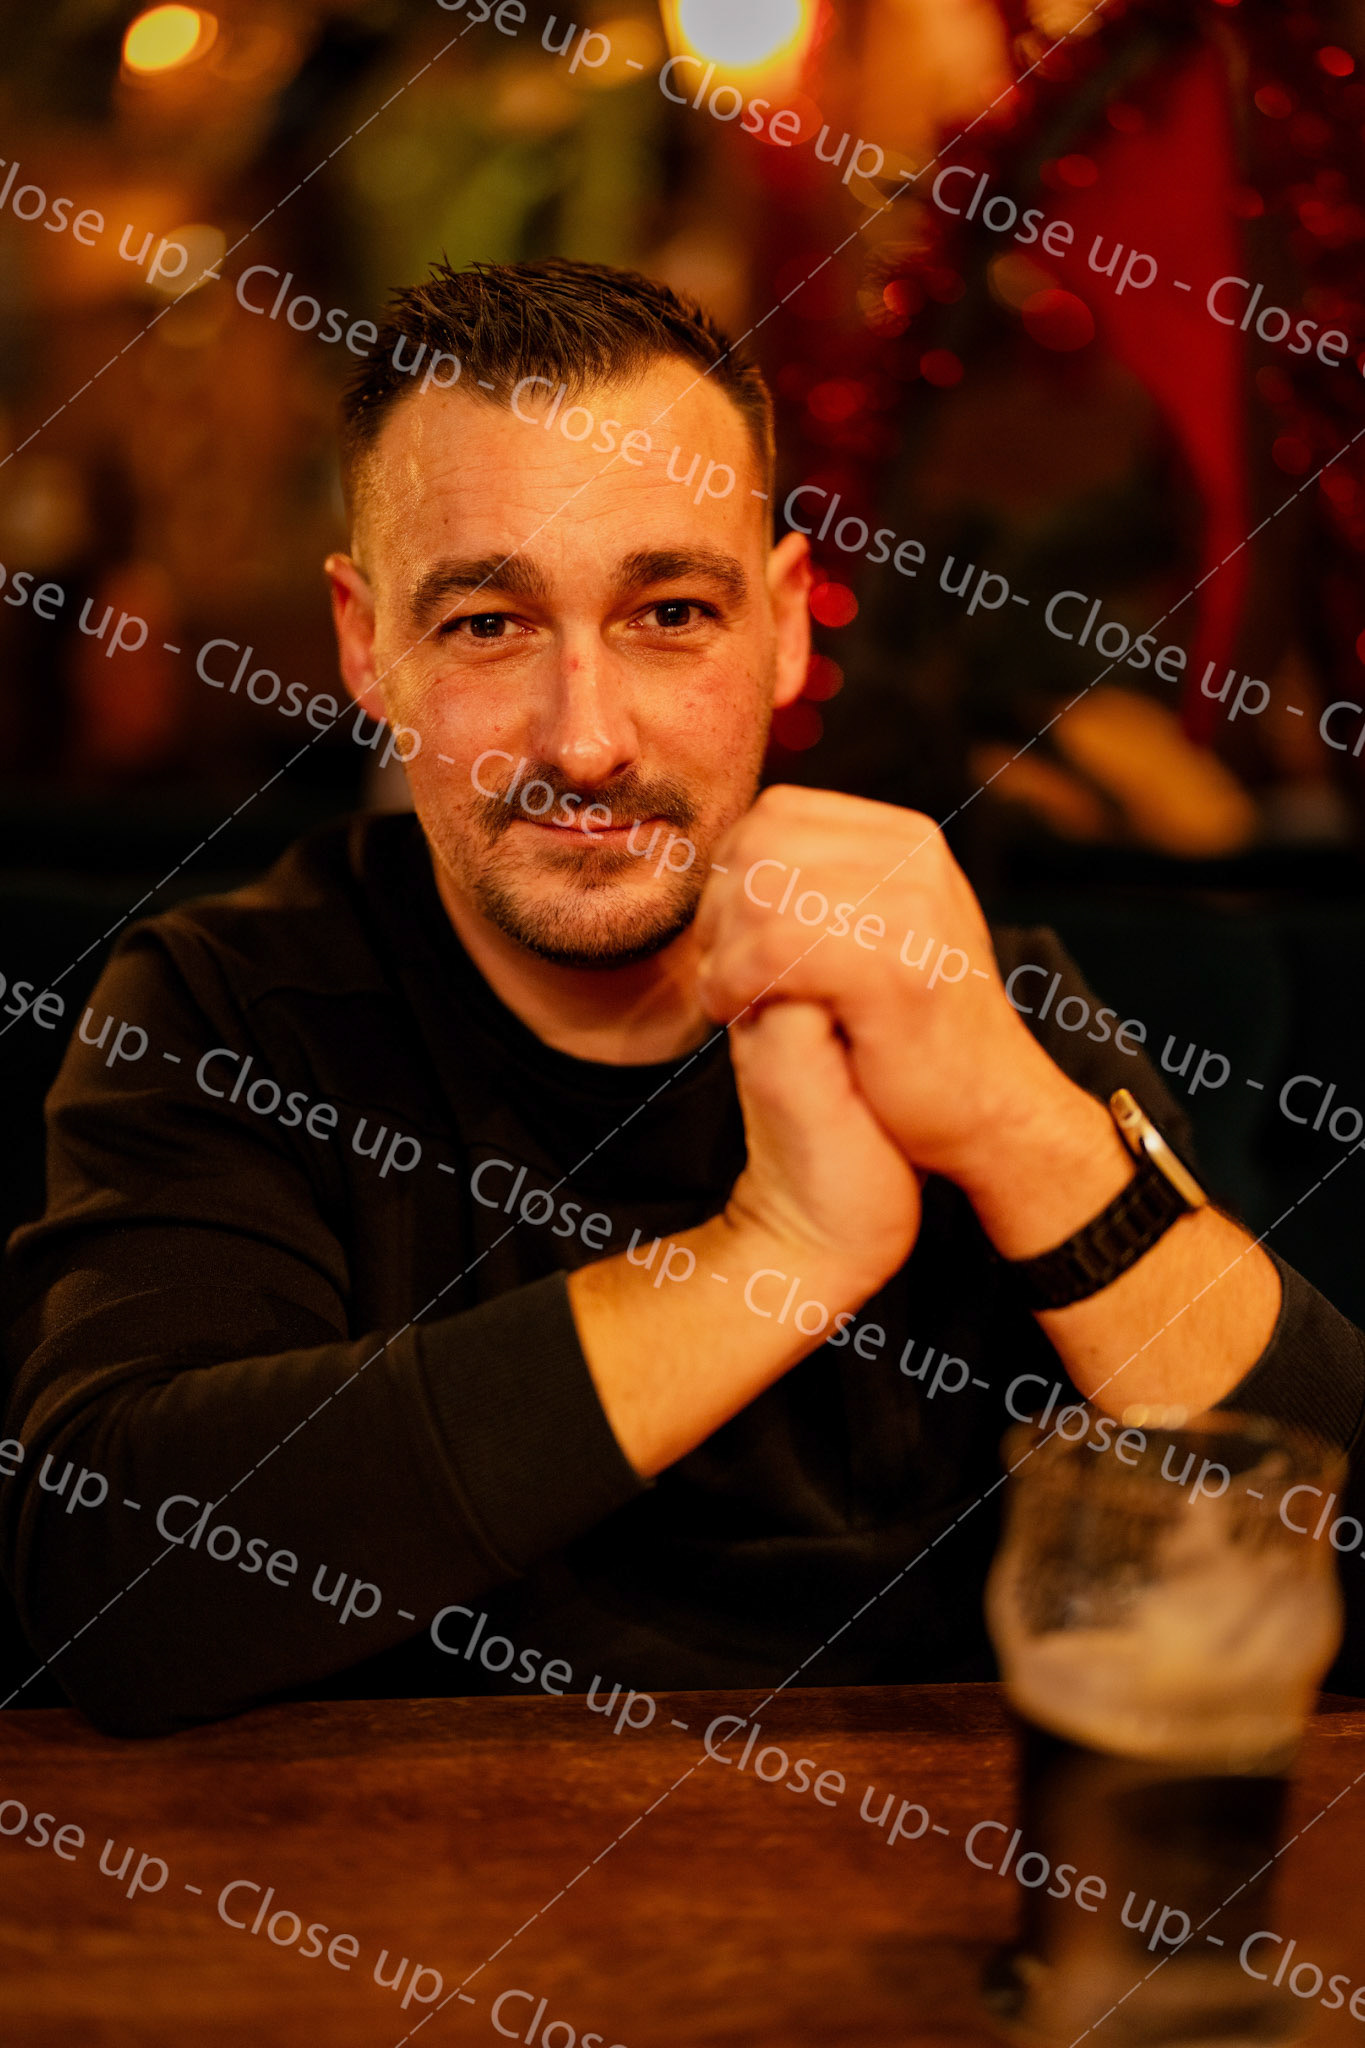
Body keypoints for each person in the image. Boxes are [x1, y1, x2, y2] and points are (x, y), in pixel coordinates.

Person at [2, 260, 1361, 1738]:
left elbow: (1332, 1552)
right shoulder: (229, 1007)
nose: (586, 740)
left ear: (785, 625)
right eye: (486, 625)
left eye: (668, 611)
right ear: (363, 642)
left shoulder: (965, 988)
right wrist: (776, 1255)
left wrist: (1022, 1134)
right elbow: (116, 1590)